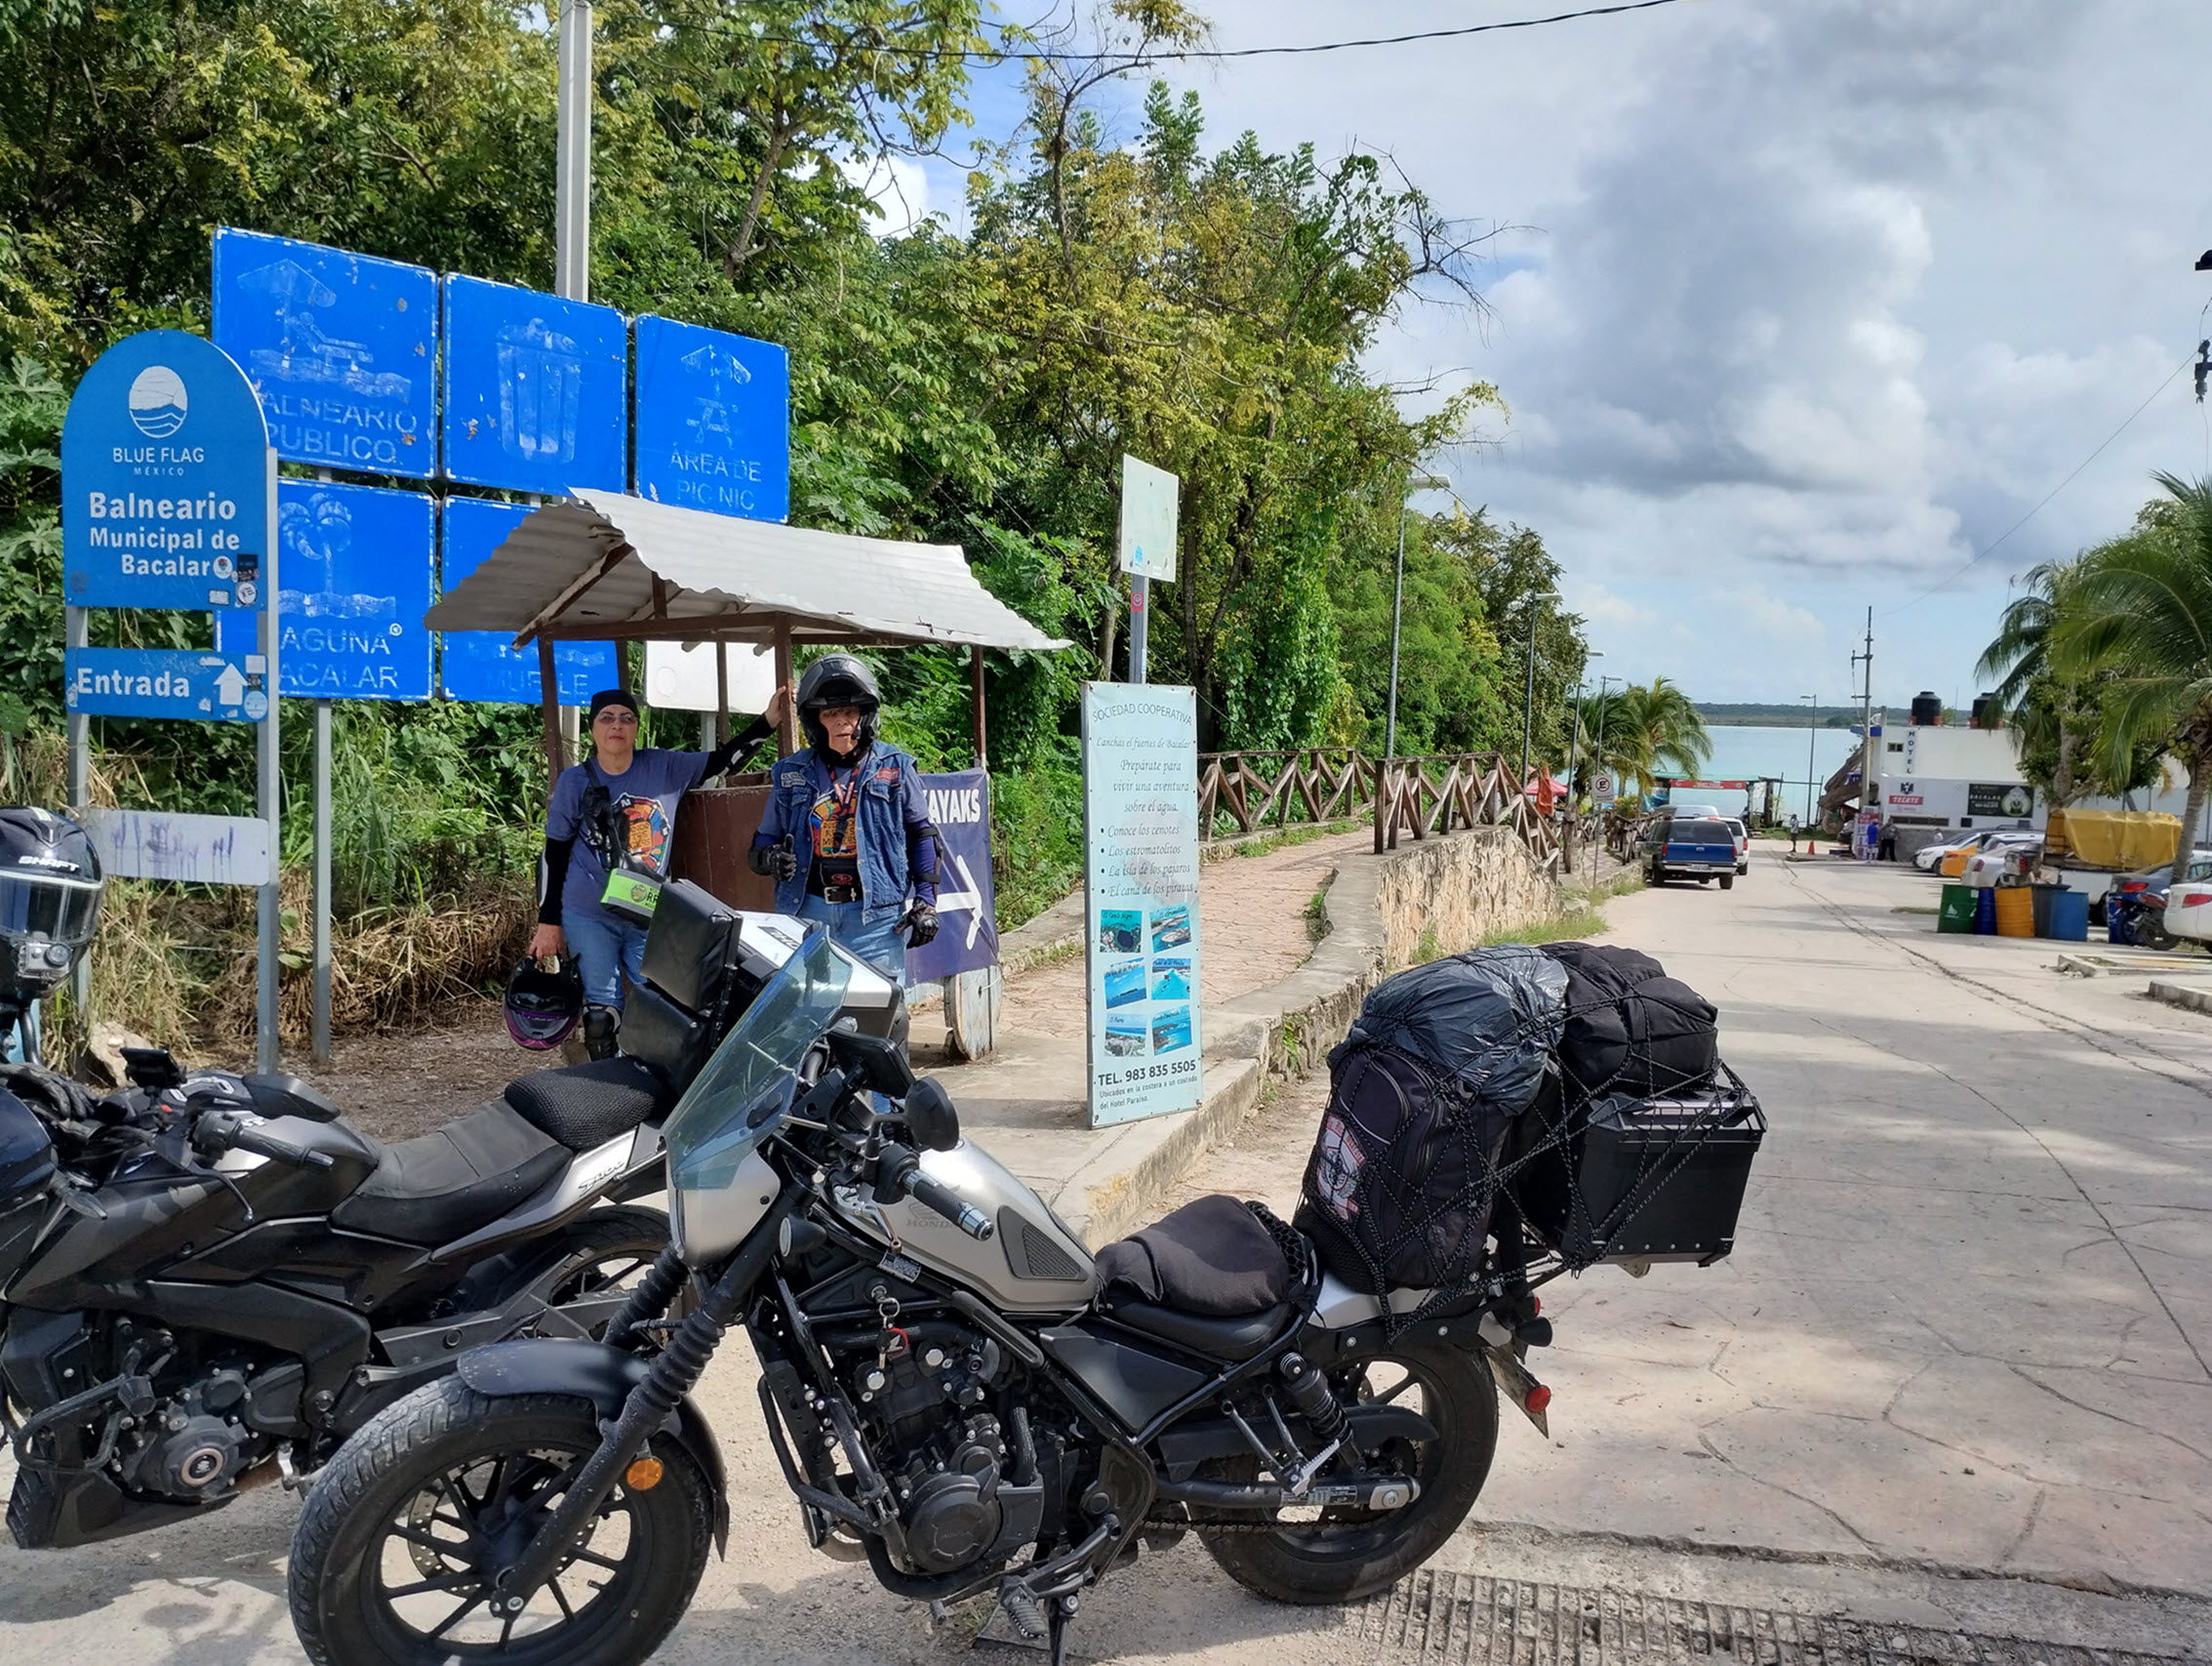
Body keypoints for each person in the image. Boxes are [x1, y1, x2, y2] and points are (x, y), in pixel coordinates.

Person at [529, 683, 789, 1059]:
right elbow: (554, 854)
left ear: (635, 728)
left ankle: (657, 1087)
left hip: (647, 910)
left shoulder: (665, 767)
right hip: (587, 911)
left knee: (663, 1004)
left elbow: (723, 762)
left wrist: (767, 722)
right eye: (606, 718)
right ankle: (608, 1094)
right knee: (602, 1012)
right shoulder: (575, 781)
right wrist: (548, 921)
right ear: (593, 729)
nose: (616, 725)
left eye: (626, 718)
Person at [748, 654, 940, 981]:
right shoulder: (790, 773)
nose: (842, 722)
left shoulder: (895, 767)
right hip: (806, 915)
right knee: (808, 1018)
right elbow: (761, 843)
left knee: (882, 1017)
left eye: (850, 711)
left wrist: (925, 902)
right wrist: (771, 858)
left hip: (875, 920)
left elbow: (923, 835)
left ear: (865, 716)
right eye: (830, 713)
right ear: (815, 721)